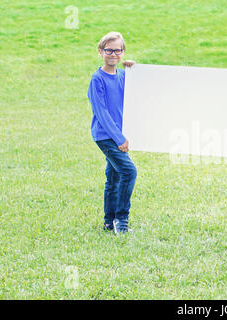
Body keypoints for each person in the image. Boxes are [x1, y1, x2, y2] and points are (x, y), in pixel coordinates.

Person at [87, 31, 137, 235]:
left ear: (123, 52)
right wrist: (119, 139)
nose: (113, 54)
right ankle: (121, 221)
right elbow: (101, 112)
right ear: (101, 52)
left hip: (119, 135)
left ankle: (109, 222)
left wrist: (134, 69)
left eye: (118, 50)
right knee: (129, 171)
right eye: (109, 50)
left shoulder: (123, 76)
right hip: (106, 136)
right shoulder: (97, 79)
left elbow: (138, 90)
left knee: (114, 177)